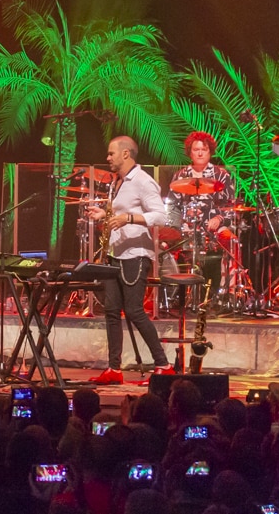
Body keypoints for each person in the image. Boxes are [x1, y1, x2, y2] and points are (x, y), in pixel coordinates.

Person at [85, 135, 172, 383]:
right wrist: (104, 213)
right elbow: (120, 212)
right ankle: (114, 369)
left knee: (134, 310)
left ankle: (163, 365)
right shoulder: (119, 182)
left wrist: (129, 219)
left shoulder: (143, 181)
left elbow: (160, 216)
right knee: (112, 311)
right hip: (116, 253)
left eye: (111, 153)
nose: (107, 157)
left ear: (126, 154)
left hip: (135, 255)